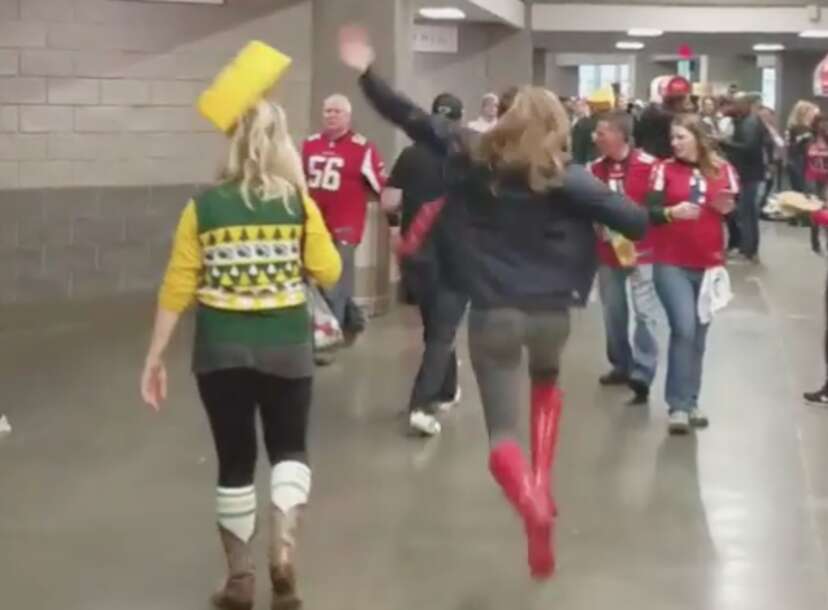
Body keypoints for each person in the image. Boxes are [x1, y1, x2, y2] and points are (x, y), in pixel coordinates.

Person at [339, 24, 648, 579]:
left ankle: (527, 499)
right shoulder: (570, 179)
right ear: (558, 126)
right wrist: (601, 200)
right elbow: (635, 222)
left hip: (493, 312)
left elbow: (409, 117)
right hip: (553, 313)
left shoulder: (468, 156)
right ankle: (543, 487)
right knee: (547, 386)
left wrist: (366, 73)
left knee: (501, 431)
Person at [140, 100, 341, 610]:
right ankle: (285, 552)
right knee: (289, 450)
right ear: (282, 143)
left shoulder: (203, 206)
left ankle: (239, 581)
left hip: (220, 349)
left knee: (234, 460)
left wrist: (155, 356)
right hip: (286, 347)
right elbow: (329, 270)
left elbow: (178, 284)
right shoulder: (298, 203)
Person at [381, 93, 469, 436]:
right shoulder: (467, 157)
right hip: (456, 255)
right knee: (443, 333)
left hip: (415, 251)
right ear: (460, 121)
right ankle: (422, 402)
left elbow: (390, 199)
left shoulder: (410, 155)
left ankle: (447, 390)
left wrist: (393, 230)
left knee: (434, 324)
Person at [646, 113, 739, 434]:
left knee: (699, 334)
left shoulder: (724, 170)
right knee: (683, 327)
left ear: (698, 138)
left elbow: (732, 210)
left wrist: (727, 209)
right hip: (671, 261)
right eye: (672, 138)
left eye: (681, 137)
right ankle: (677, 405)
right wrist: (672, 212)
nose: (675, 143)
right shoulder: (662, 169)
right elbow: (651, 212)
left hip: (709, 263)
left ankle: (691, 399)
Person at [302, 94, 386, 347]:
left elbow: (382, 184)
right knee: (315, 276)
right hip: (315, 223)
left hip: (346, 223)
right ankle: (351, 317)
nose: (331, 115)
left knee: (337, 277)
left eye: (337, 111)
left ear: (348, 116)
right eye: (327, 111)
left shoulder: (362, 147)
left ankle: (333, 330)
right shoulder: (309, 144)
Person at [589, 111, 660, 405]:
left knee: (645, 312)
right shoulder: (592, 169)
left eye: (602, 132)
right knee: (613, 311)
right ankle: (621, 363)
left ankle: (643, 372)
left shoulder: (650, 166)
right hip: (608, 251)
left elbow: (658, 208)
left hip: (643, 251)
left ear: (620, 135)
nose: (596, 137)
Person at [720, 93, 768, 262]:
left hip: (749, 174)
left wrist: (724, 142)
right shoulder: (745, 120)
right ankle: (747, 248)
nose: (734, 107)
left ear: (746, 104)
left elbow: (748, 147)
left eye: (737, 103)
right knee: (746, 212)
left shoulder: (751, 123)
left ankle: (748, 250)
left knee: (747, 213)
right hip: (746, 173)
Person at [634, 76, 692, 160]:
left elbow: (638, 139)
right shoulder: (675, 118)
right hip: (668, 161)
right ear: (680, 100)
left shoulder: (647, 112)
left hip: (647, 158)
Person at [786, 100, 820, 193]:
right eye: (811, 112)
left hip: (797, 161)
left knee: (800, 190)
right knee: (803, 192)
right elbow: (801, 146)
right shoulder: (800, 128)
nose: (814, 115)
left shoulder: (797, 127)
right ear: (804, 113)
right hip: (800, 162)